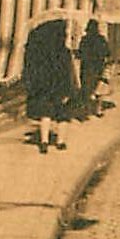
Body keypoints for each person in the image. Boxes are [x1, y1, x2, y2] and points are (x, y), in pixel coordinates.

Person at [23, 19, 73, 153]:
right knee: (63, 115)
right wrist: (69, 89)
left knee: (45, 113)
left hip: (45, 87)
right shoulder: (65, 52)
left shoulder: (41, 51)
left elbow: (35, 70)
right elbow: (69, 72)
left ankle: (44, 142)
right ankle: (60, 142)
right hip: (61, 86)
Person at [76, 18, 111, 118]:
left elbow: (80, 53)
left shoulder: (85, 39)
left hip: (86, 67)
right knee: (100, 88)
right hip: (99, 66)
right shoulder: (101, 39)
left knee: (86, 88)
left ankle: (86, 109)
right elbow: (108, 52)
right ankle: (98, 109)